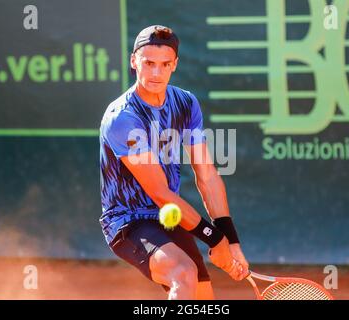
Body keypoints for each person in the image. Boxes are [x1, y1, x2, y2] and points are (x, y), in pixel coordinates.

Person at [99, 25, 249, 300]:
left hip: (170, 218)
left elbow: (207, 176)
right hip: (129, 221)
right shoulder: (122, 118)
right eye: (149, 63)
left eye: (165, 64)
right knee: (183, 273)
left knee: (203, 300)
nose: (156, 73)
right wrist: (215, 240)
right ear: (134, 62)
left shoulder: (186, 104)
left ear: (175, 65)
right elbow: (160, 193)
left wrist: (231, 240)